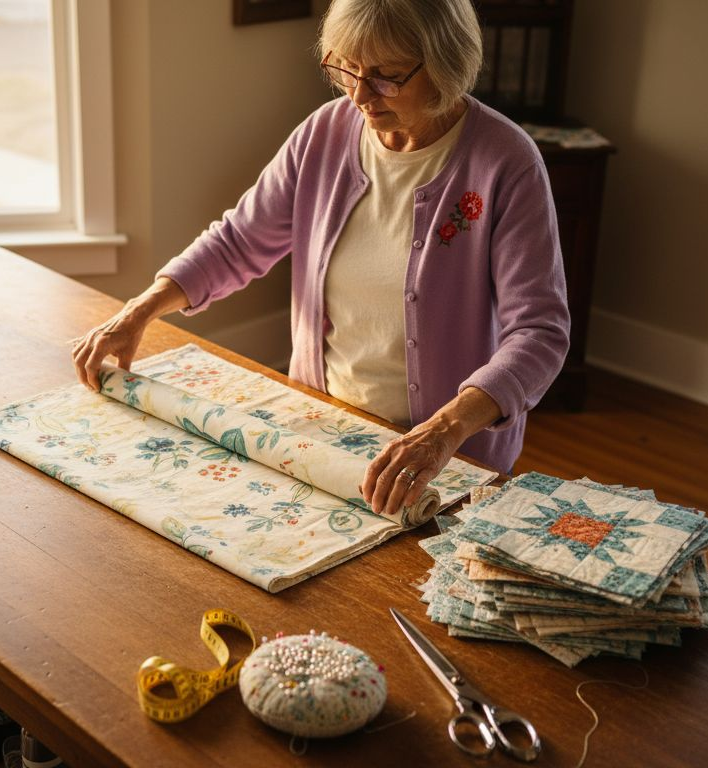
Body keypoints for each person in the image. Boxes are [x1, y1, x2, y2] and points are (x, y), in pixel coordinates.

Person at [72, 0, 569, 519]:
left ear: (444, 63)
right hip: (324, 429)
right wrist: (140, 310)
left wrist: (441, 432)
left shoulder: (506, 163)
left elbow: (539, 333)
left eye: (387, 77)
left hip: (447, 459)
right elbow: (239, 239)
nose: (359, 95)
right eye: (347, 69)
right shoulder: (323, 135)